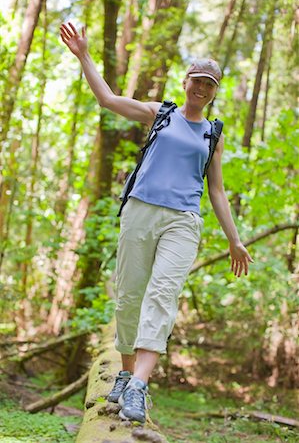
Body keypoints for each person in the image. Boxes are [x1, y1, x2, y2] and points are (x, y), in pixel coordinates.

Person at [60, 22, 254, 424]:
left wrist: (235, 240)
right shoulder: (160, 114)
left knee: (161, 295)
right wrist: (84, 55)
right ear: (186, 82)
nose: (202, 88)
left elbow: (216, 191)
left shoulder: (213, 136)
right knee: (130, 296)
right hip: (140, 212)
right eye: (198, 80)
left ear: (215, 92)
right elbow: (107, 99)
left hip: (183, 221)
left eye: (210, 84)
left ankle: (138, 386)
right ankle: (125, 374)